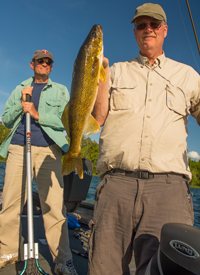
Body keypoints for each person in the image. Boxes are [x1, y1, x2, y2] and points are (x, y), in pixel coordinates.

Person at [88, 3, 200, 275]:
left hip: (169, 188)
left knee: (166, 268)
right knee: (104, 268)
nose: (147, 29)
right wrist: (99, 78)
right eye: (141, 25)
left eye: (154, 24)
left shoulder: (188, 75)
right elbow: (97, 118)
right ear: (135, 32)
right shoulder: (114, 71)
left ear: (164, 29)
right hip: (116, 184)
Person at [0, 50, 78, 275]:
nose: (44, 64)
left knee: (54, 208)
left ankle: (63, 260)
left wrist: (36, 114)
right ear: (32, 64)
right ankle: (8, 251)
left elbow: (66, 121)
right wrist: (22, 103)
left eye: (48, 62)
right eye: (40, 61)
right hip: (18, 148)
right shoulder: (19, 88)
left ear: (51, 67)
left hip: (49, 151)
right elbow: (6, 119)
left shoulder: (61, 91)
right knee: (10, 204)